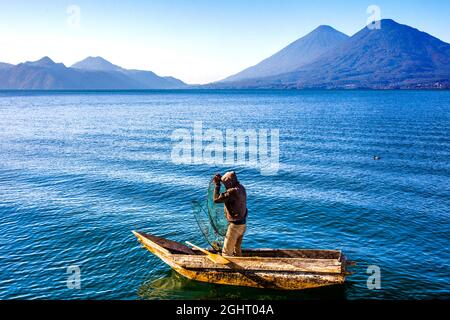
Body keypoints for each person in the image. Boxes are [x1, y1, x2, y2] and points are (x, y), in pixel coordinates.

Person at [212, 171, 248, 257]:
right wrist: (221, 179)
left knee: (226, 253)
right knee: (237, 249)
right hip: (243, 224)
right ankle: (241, 266)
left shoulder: (232, 192)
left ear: (230, 182)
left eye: (226, 183)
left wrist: (217, 185)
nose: (225, 185)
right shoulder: (241, 188)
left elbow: (216, 199)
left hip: (235, 227)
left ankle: (230, 269)